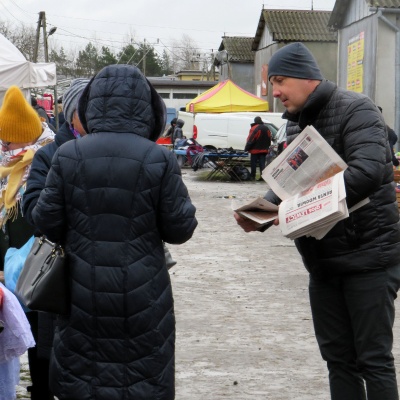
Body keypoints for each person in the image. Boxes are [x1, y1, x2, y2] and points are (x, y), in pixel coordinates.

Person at [234, 42, 400, 400]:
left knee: (373, 360)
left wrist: (298, 208)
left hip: (369, 259)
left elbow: (369, 172)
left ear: (307, 77)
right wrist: (261, 212)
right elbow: (288, 187)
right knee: (338, 360)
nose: (275, 93)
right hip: (323, 264)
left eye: (280, 81)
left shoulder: (358, 109)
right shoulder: (295, 127)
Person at [30, 64, 197, 400]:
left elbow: (44, 221)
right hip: (144, 295)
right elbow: (180, 229)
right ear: (149, 108)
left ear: (91, 105)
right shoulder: (158, 158)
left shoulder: (67, 155)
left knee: (84, 379)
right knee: (141, 379)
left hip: (80, 293)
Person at [0, 85, 55, 399]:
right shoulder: (11, 167)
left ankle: (41, 390)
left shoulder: (44, 165)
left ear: (24, 135)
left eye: (7, 140)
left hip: (38, 270)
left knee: (38, 339)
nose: (4, 146)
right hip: (12, 271)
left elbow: (42, 217)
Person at [244, 116, 271, 180]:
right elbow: (269, 138)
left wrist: (247, 148)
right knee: (262, 164)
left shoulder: (254, 128)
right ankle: (263, 177)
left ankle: (253, 176)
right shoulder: (266, 128)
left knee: (254, 164)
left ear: (255, 121)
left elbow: (251, 139)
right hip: (264, 150)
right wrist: (267, 147)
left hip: (255, 150)